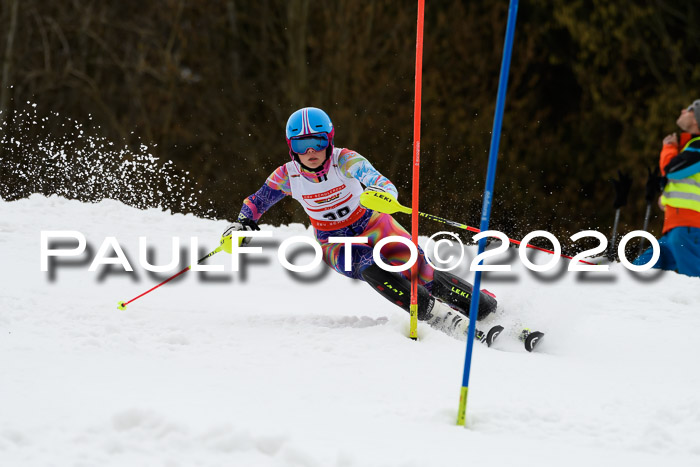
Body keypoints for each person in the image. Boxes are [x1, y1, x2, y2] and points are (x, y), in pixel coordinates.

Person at [220, 107, 497, 338]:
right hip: (334, 242)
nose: (311, 151)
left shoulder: (345, 160)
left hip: (373, 224)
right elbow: (257, 202)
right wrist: (242, 224)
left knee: (419, 272)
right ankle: (437, 316)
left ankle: (483, 307)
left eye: (317, 142)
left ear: (329, 140)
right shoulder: (287, 175)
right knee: (370, 267)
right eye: (301, 145)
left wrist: (383, 196)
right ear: (291, 148)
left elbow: (381, 182)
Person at [634, 100, 700, 277]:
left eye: (689, 110)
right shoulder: (690, 148)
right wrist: (665, 197)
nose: (683, 110)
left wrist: (669, 148)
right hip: (677, 228)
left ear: (696, 119)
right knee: (638, 270)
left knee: (694, 284)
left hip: (689, 229)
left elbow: (673, 170)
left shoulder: (698, 147)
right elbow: (686, 182)